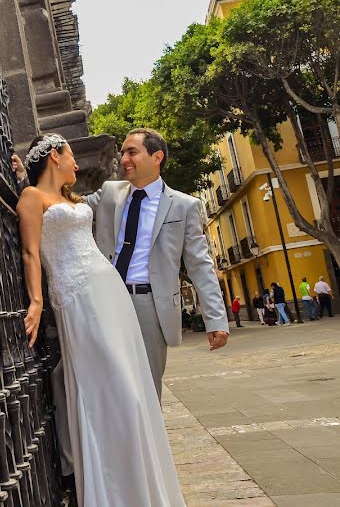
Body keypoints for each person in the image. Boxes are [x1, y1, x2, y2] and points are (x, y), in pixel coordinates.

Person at [17, 133, 185, 506]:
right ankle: (114, 488)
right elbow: (31, 253)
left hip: (110, 293)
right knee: (107, 390)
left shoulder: (71, 198)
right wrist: (36, 301)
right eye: (71, 156)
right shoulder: (32, 198)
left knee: (131, 389)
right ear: (54, 157)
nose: (77, 165)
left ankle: (141, 485)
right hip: (77, 300)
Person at [14, 128, 229, 397]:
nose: (123, 158)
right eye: (123, 152)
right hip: (102, 302)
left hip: (149, 305)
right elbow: (59, 207)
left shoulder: (185, 206)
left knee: (146, 389)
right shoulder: (109, 192)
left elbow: (200, 265)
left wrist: (216, 319)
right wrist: (28, 178)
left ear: (157, 157)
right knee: (105, 385)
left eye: (132, 152)